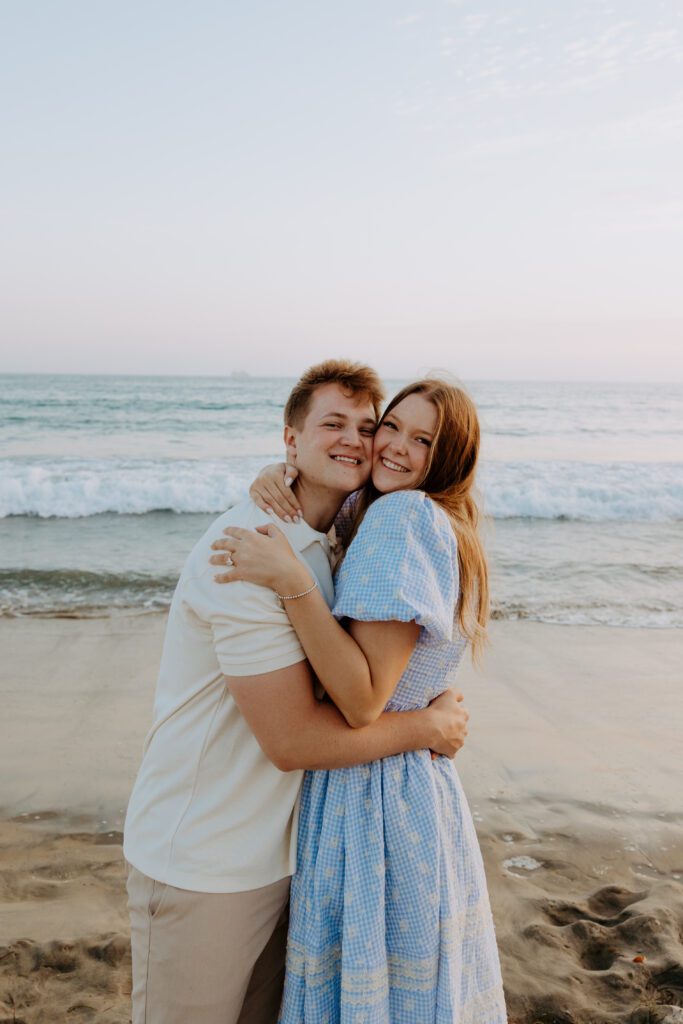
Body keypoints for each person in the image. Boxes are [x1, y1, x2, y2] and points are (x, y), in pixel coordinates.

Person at [123, 361, 470, 1024]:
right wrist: (427, 728)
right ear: (290, 439)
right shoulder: (247, 554)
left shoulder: (335, 538)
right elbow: (291, 741)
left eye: (367, 427)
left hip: (284, 858)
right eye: (333, 424)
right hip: (203, 858)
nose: (358, 441)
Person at [210, 378, 507, 1023]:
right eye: (389, 426)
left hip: (372, 795)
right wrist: (278, 473)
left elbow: (363, 700)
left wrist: (292, 581)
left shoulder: (403, 518)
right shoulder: (410, 515)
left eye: (423, 440)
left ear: (450, 457)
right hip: (415, 788)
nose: (394, 447)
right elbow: (328, 501)